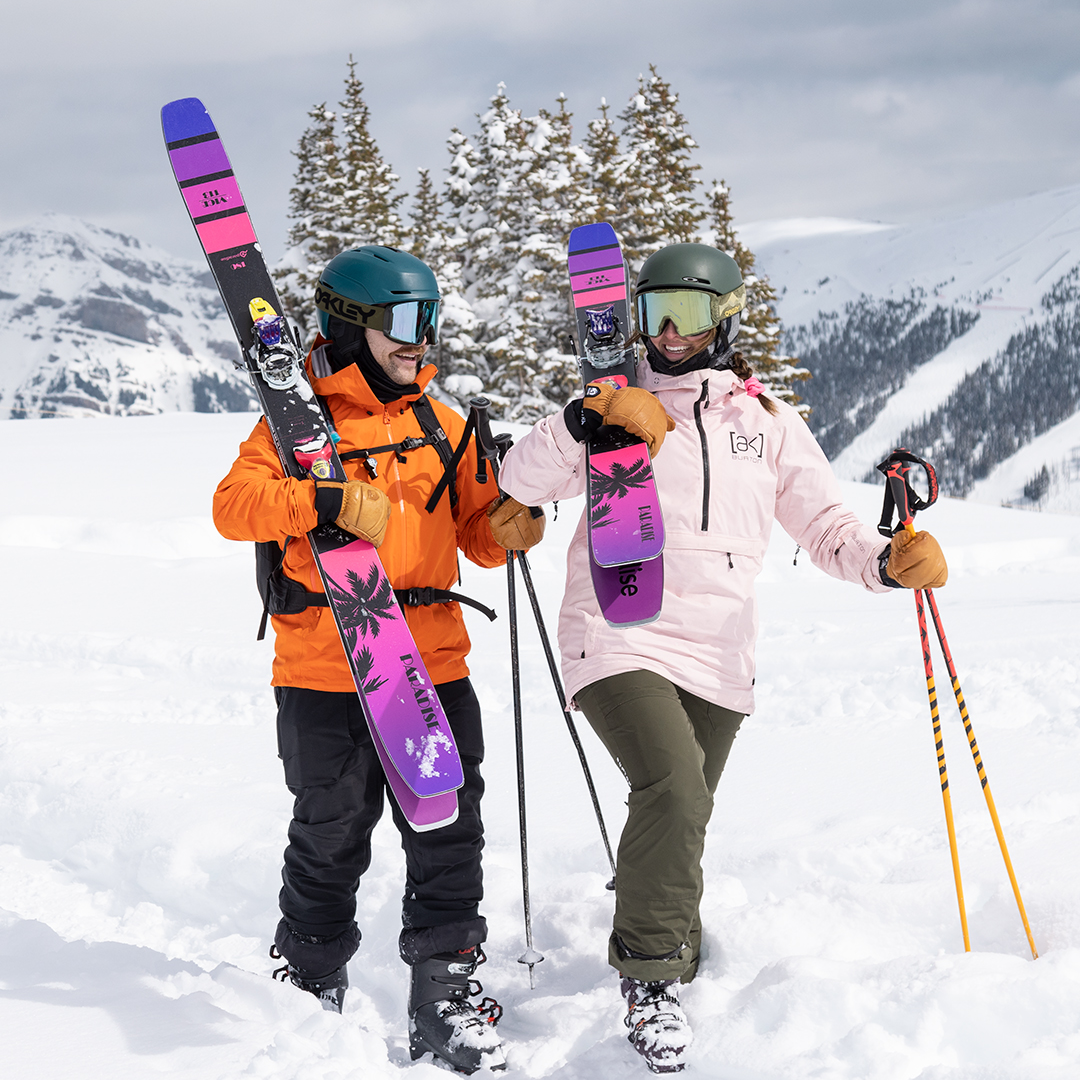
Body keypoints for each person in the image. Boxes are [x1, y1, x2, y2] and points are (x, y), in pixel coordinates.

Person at [497, 243, 947, 1074]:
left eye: (692, 315)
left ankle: (672, 943)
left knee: (684, 807)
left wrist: (885, 564)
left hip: (720, 648)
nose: (670, 334)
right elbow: (519, 482)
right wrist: (579, 421)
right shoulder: (612, 404)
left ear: (726, 320)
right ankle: (652, 980)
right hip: (617, 626)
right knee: (671, 782)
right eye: (655, 313)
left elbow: (825, 529)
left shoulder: (768, 422)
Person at [212, 245, 544, 1074]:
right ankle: (308, 979)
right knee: (331, 831)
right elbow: (233, 506)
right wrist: (317, 497)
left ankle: (445, 997)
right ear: (351, 326)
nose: (419, 340)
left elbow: (474, 527)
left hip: (429, 665)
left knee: (448, 828)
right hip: (327, 671)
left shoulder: (441, 421)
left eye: (430, 320)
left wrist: (507, 530)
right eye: (403, 322)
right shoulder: (298, 422)